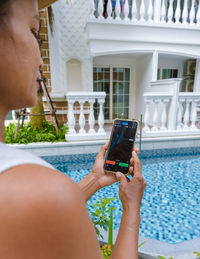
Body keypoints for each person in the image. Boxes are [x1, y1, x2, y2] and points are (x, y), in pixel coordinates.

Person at [0, 0, 146, 258]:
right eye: (34, 31)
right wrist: (132, 207)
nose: (41, 61)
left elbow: (40, 219)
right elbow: (44, 207)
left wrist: (94, 179)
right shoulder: (38, 190)